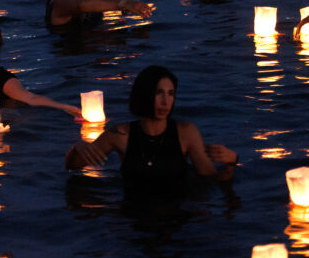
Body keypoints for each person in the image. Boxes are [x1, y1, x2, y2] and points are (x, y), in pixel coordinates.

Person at [65, 65, 237, 197]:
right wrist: (78, 146)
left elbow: (212, 180)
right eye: (159, 93)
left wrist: (232, 161)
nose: (165, 101)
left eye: (170, 94)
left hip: (176, 215)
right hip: (133, 216)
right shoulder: (120, 135)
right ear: (144, 95)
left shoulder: (186, 133)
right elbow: (72, 165)